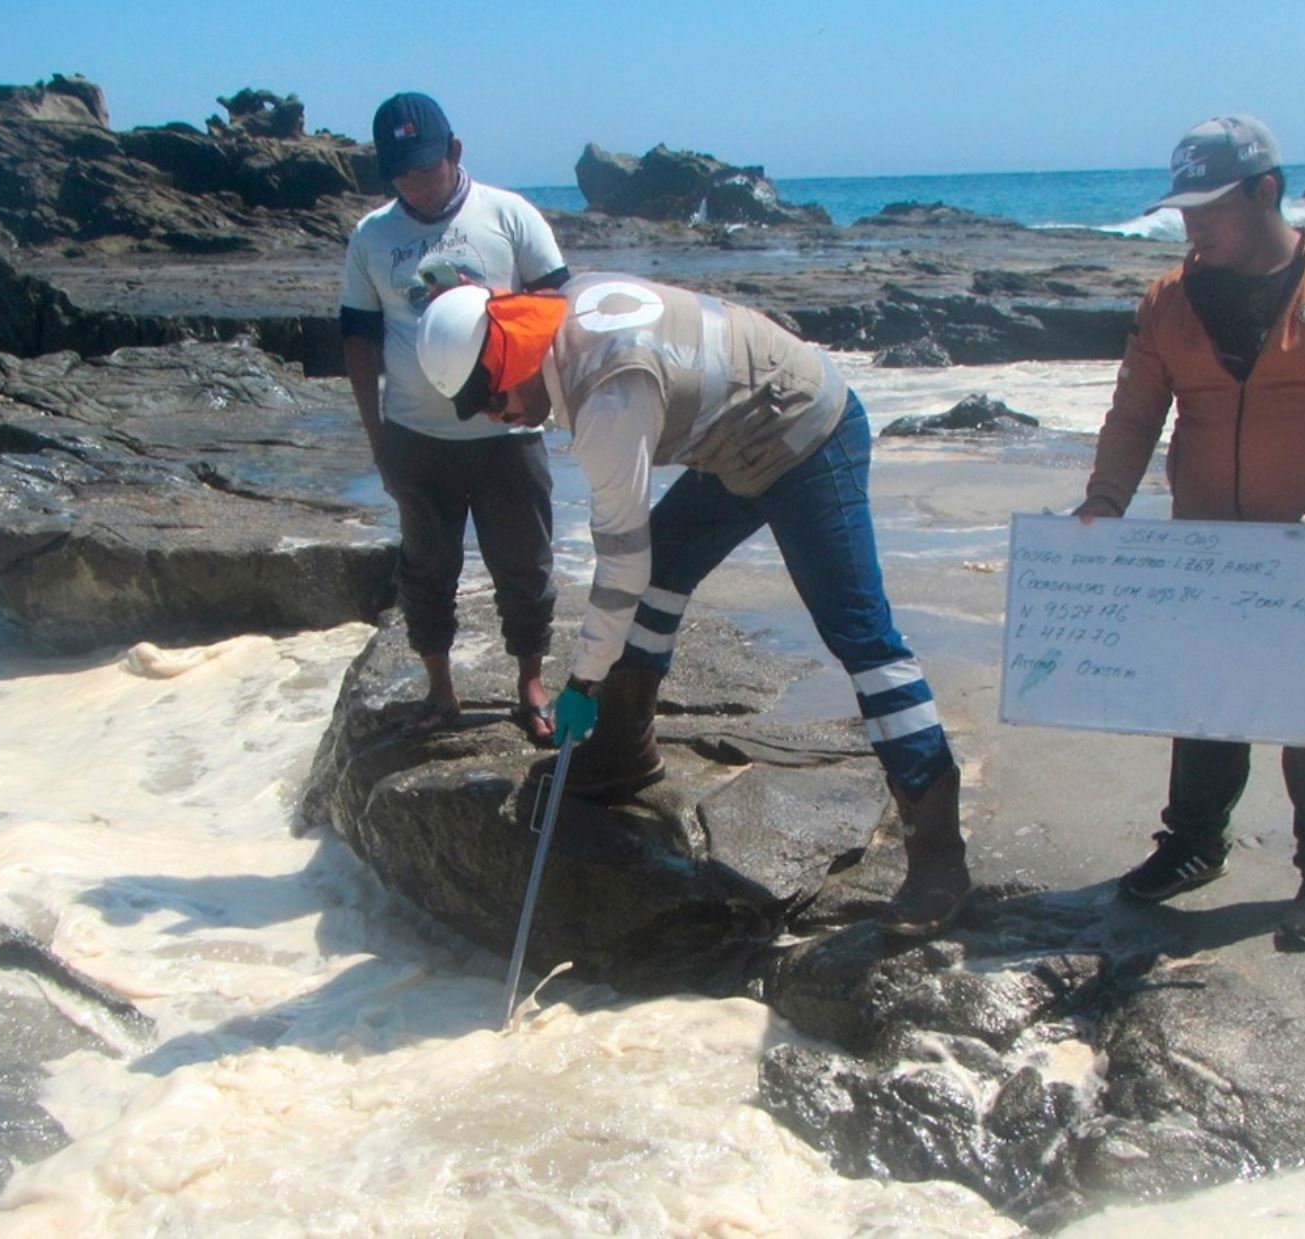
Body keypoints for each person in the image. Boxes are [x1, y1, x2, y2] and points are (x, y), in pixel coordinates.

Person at [414, 273, 972, 937]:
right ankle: (624, 748)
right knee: (661, 578)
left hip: (807, 431)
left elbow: (620, 566)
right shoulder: (561, 312)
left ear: (513, 358)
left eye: (490, 398)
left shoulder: (609, 397)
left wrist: (582, 681)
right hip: (735, 434)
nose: (494, 417)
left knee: (861, 636)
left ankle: (939, 854)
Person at [1073, 115, 1305, 950]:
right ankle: (1193, 845)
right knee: (1201, 700)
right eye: (1184, 207)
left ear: (1266, 191)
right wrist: (1103, 502)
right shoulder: (1168, 298)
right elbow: (1134, 415)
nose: (1190, 224)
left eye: (1210, 207)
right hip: (1205, 549)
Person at [340, 92, 570, 744]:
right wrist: (377, 437)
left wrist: (543, 395)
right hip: (417, 437)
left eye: (427, 164)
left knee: (525, 566)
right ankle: (441, 689)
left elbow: (559, 311)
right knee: (426, 569)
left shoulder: (509, 215)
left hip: (508, 435)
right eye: (401, 170)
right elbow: (358, 337)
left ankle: (530, 684)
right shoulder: (371, 236)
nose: (416, 180)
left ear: (455, 151)